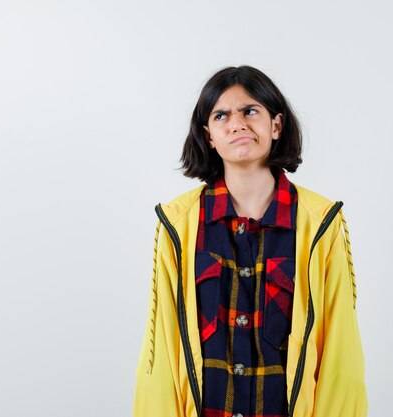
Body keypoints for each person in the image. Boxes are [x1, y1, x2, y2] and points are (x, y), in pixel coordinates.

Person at [133, 65, 367, 417]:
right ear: (209, 135)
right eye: (221, 115)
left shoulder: (321, 223)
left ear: (276, 125)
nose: (237, 123)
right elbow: (161, 356)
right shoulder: (178, 224)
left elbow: (340, 356)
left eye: (250, 111)